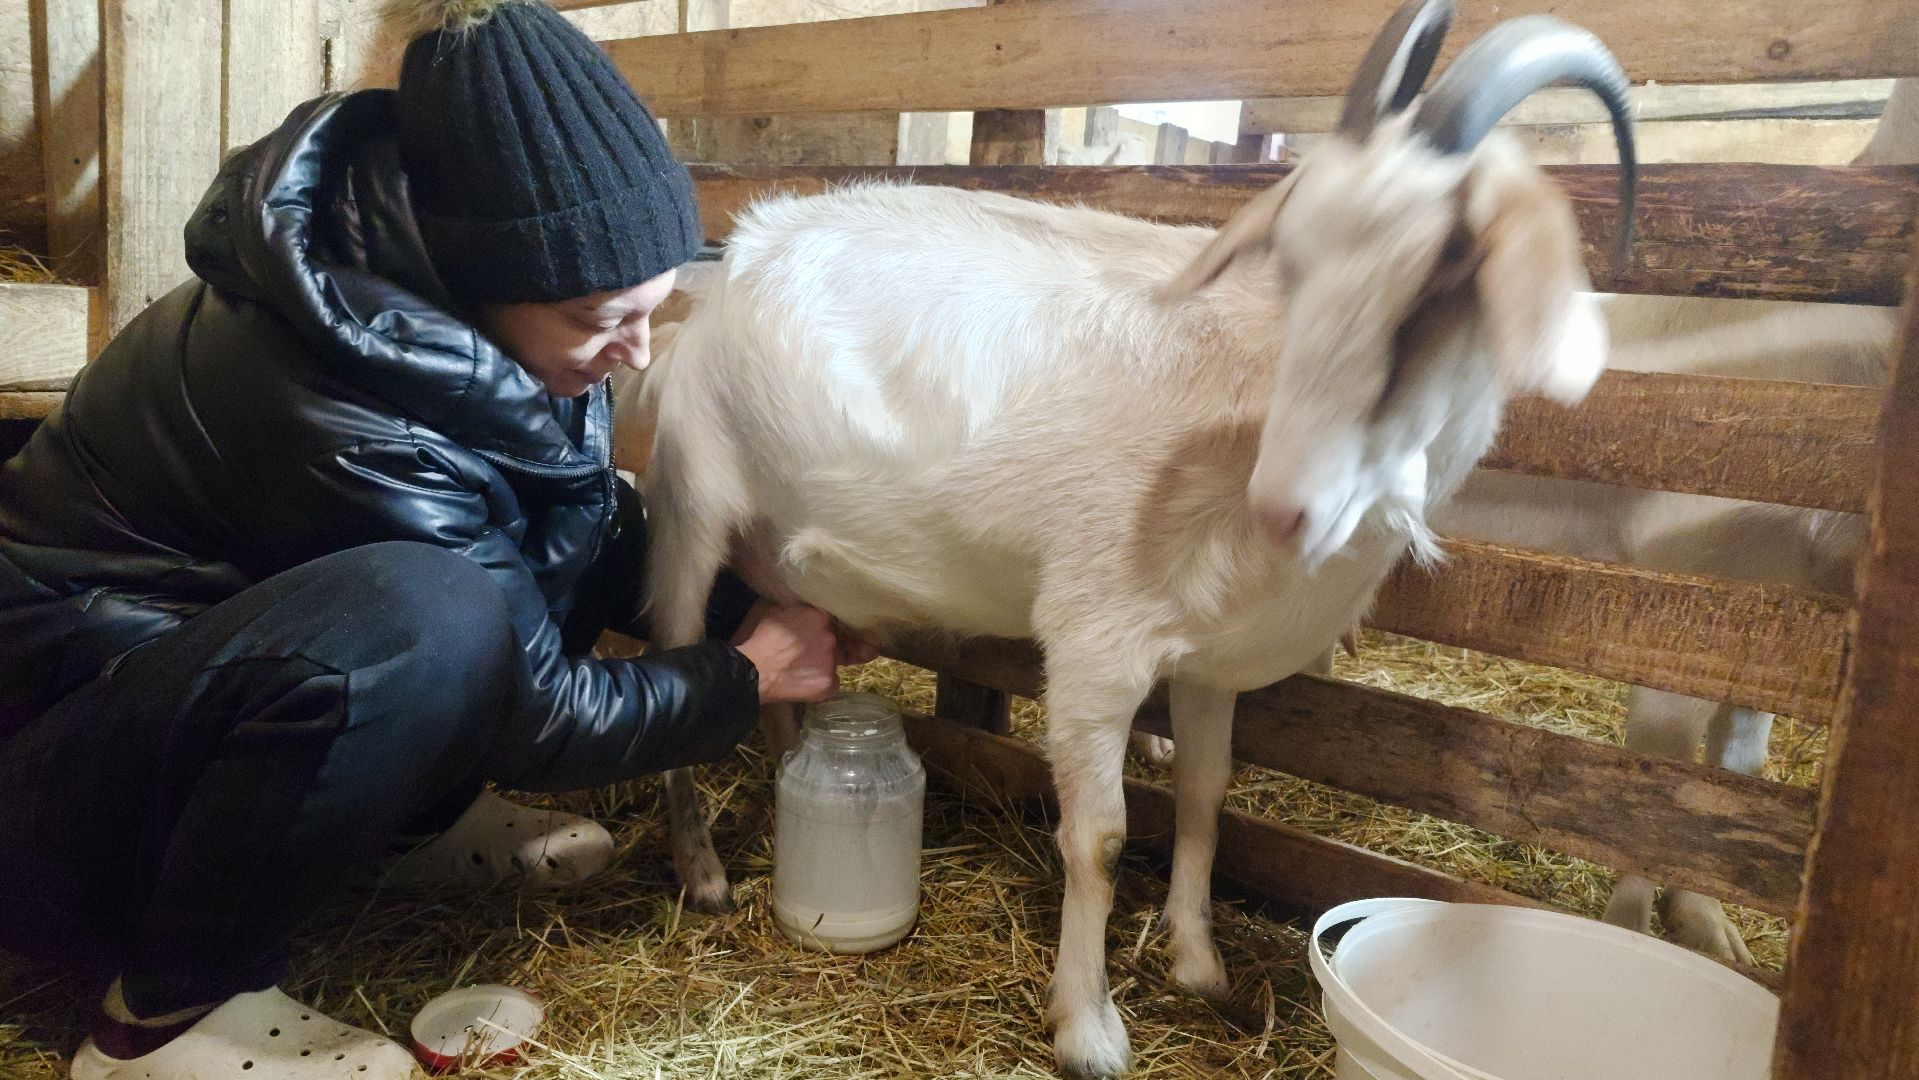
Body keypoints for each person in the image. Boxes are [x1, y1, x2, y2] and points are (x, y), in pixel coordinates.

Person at [0, 2, 869, 1075]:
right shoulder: (326, 395)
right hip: (53, 794)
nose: (636, 354)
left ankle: (398, 835)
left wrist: (736, 599)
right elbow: (531, 711)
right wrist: (743, 674)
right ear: (479, 275)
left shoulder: (456, 318)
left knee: (469, 586)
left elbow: (574, 526)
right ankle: (165, 1016)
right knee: (428, 619)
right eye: (605, 318)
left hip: (188, 714)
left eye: (652, 308)